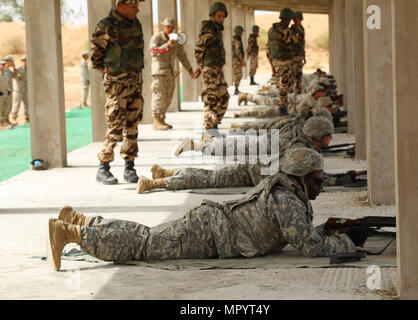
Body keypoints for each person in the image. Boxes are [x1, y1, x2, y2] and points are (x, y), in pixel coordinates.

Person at [47, 148, 365, 271]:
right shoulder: (288, 201)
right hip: (209, 233)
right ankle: (73, 233)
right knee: (143, 245)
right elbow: (310, 246)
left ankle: (83, 221)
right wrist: (346, 241)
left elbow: (302, 233)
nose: (323, 186)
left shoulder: (285, 189)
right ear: (301, 177)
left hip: (210, 224)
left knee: (146, 235)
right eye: (319, 180)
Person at [137, 116, 333, 192]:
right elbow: (316, 178)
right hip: (258, 173)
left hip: (257, 169)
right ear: (320, 135)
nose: (331, 139)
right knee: (209, 179)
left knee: (210, 177)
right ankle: (155, 183)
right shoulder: (304, 151)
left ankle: (166, 173)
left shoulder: (300, 140)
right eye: (328, 136)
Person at [90, 0, 145, 185]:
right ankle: (103, 167)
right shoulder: (107, 25)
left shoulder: (136, 24)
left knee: (133, 123)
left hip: (135, 83)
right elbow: (95, 56)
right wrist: (111, 75)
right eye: (133, 6)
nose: (137, 10)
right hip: (116, 85)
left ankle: (129, 166)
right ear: (122, 6)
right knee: (115, 124)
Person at [150, 18, 199, 130]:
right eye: (168, 27)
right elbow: (153, 51)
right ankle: (156, 120)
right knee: (159, 96)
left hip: (170, 72)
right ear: (164, 27)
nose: (170, 29)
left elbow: (182, 56)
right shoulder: (157, 38)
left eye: (172, 27)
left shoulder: (176, 40)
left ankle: (162, 119)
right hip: (159, 72)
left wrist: (190, 71)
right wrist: (167, 45)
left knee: (168, 97)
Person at [194, 1, 230, 138]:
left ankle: (214, 125)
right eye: (219, 16)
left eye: (223, 16)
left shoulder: (217, 30)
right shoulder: (209, 29)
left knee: (224, 98)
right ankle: (210, 130)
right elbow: (198, 48)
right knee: (211, 99)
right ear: (212, 16)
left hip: (217, 69)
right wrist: (201, 66)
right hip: (209, 70)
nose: (221, 19)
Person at [267, 8, 295, 116]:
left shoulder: (271, 30)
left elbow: (268, 48)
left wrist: (271, 65)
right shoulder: (286, 31)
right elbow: (291, 46)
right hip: (285, 62)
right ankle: (282, 109)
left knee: (280, 85)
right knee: (284, 86)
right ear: (288, 19)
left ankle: (282, 107)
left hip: (275, 61)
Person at [290, 11, 306, 94]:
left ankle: (298, 91)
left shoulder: (302, 29)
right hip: (292, 55)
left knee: (299, 74)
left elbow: (302, 42)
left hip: (299, 55)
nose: (299, 21)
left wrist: (303, 54)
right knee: (292, 74)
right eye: (297, 19)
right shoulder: (291, 30)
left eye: (300, 19)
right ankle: (291, 93)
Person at [232, 25, 245, 95]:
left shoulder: (236, 39)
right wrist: (242, 61)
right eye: (241, 32)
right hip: (236, 61)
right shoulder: (237, 40)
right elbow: (238, 52)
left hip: (236, 60)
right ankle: (236, 89)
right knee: (238, 75)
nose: (242, 34)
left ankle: (236, 89)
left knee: (239, 75)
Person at [0, 59, 12, 126]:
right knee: (0, 108)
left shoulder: (5, 73)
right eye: (2, 64)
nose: (3, 66)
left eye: (4, 64)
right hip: (0, 94)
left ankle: (4, 121)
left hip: (6, 93)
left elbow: (7, 83)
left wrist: (9, 90)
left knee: (7, 107)